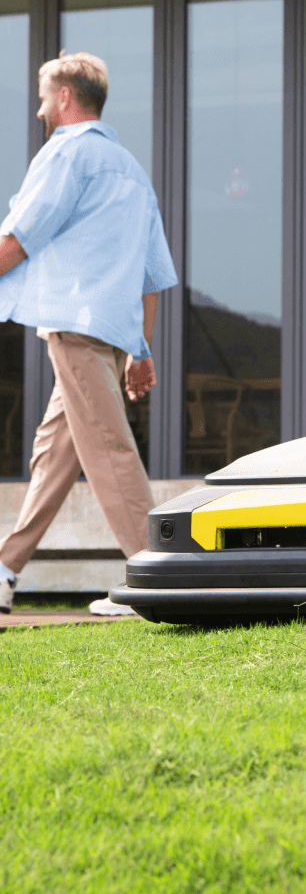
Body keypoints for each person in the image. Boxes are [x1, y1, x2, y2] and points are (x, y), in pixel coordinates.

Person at [0, 53, 177, 615]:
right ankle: (5, 568)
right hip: (106, 332)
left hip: (75, 326)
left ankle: (158, 579)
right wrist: (139, 348)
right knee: (55, 454)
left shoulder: (67, 153)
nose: (39, 107)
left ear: (67, 99)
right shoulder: (131, 170)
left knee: (109, 448)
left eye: (44, 96)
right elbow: (151, 276)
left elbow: (18, 239)